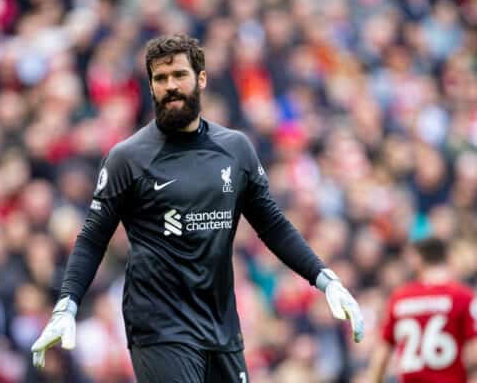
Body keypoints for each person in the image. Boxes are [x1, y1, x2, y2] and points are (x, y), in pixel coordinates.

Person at [31, 34, 364, 382]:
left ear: (201, 79)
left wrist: (326, 280)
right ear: (150, 86)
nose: (170, 86)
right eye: (160, 79)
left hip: (220, 325)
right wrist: (67, 305)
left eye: (179, 75)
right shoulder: (126, 158)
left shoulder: (235, 149)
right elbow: (91, 238)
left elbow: (273, 225)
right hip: (160, 328)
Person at [368, 237, 477, 382]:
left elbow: (382, 354)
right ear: (448, 259)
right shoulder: (463, 297)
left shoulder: (400, 298)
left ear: (418, 260)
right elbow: (474, 351)